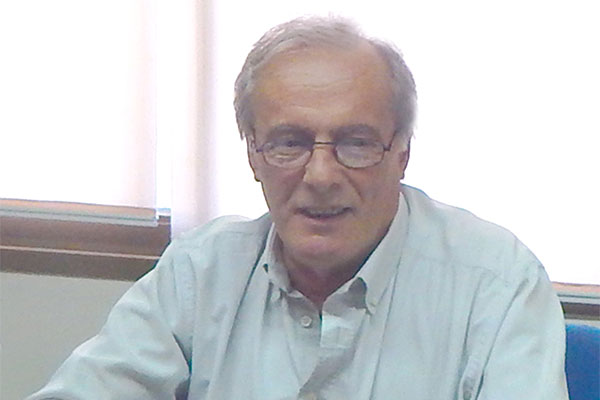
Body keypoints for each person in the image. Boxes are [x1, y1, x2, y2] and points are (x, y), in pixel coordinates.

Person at [28, 16, 569, 399]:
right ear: (253, 155)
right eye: (289, 142)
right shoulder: (200, 273)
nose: (321, 176)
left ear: (402, 153)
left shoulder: (497, 285)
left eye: (356, 143)